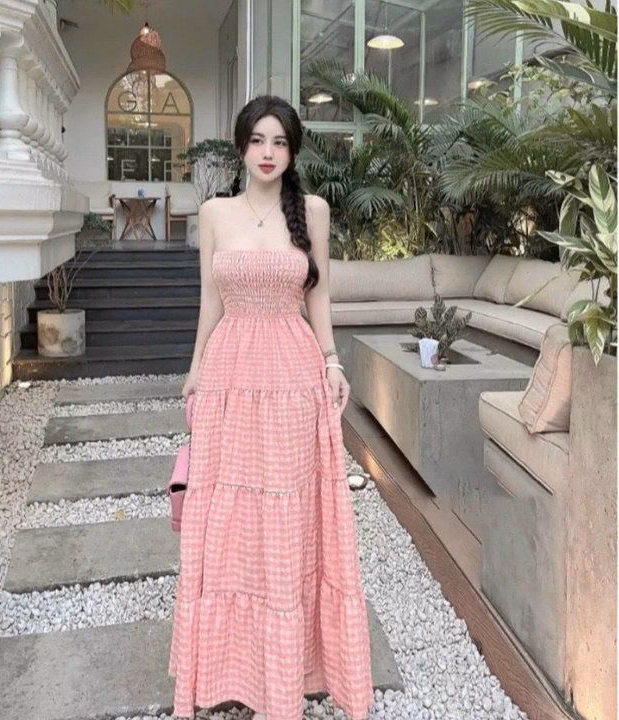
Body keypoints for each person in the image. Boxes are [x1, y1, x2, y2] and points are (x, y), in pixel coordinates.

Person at [168, 95, 374, 720]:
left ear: (293, 150)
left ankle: (283, 675)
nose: (267, 152)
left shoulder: (313, 211)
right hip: (230, 373)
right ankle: (233, 664)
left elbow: (320, 297)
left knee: (287, 517)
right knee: (228, 519)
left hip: (292, 374)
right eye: (258, 140)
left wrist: (333, 362)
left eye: (279, 142)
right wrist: (195, 370)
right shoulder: (214, 213)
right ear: (241, 146)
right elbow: (210, 300)